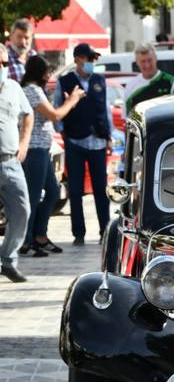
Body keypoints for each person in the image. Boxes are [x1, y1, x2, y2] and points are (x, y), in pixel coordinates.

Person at [19, 55, 83, 256]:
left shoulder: (36, 90)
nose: (49, 76)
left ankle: (39, 235)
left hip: (43, 149)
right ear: (39, 73)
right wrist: (72, 101)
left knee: (53, 192)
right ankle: (26, 240)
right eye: (47, 72)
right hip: (34, 149)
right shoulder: (31, 91)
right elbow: (54, 115)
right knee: (33, 195)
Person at [54, 43, 111, 246]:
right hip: (75, 141)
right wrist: (64, 135)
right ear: (78, 59)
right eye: (88, 59)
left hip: (97, 141)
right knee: (76, 190)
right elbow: (56, 109)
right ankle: (78, 233)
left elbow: (105, 110)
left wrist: (109, 136)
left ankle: (105, 229)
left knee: (100, 189)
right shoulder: (65, 81)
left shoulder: (99, 80)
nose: (92, 63)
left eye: (94, 59)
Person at [0, 43, 33, 282]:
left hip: (10, 161)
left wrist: (24, 143)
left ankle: (8, 260)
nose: (2, 67)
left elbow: (28, 113)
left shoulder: (13, 87)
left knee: (22, 210)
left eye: (3, 62)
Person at [123, 43, 174, 115]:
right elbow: (127, 118)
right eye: (143, 61)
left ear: (156, 58)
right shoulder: (130, 86)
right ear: (137, 62)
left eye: (150, 60)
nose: (147, 65)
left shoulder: (171, 82)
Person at [6, 19, 36, 83]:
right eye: (19, 37)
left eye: (26, 38)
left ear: (31, 38)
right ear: (11, 37)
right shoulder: (3, 58)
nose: (23, 42)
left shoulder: (34, 56)